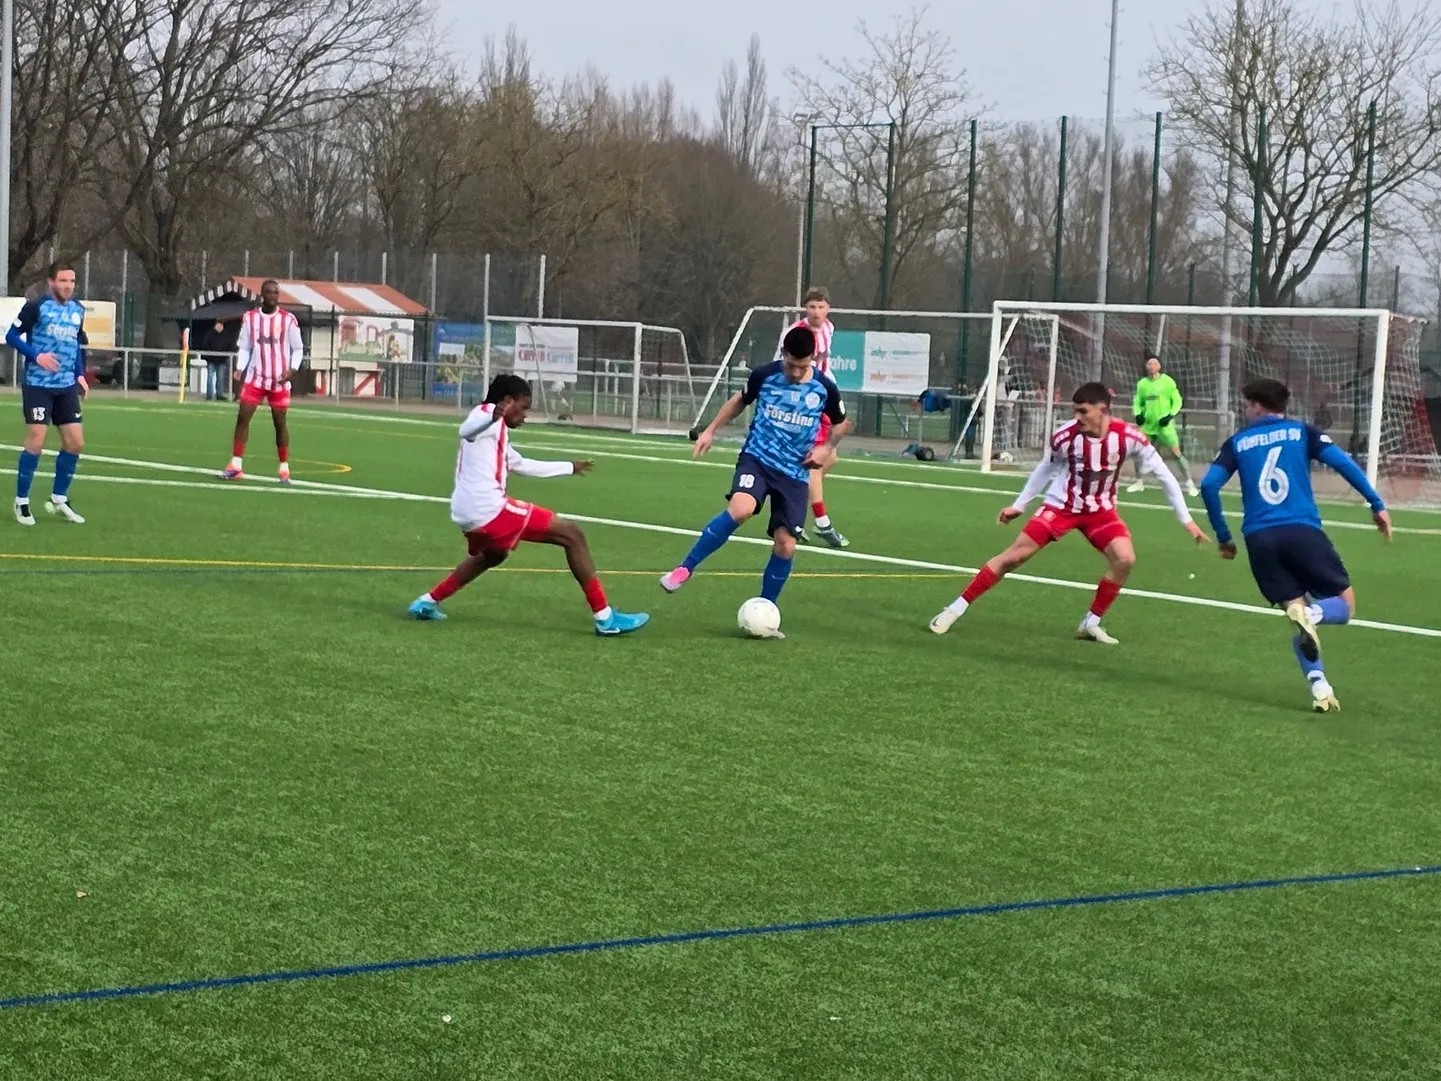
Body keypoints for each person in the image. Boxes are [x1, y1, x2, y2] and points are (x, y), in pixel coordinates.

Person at [929, 382, 1208, 643]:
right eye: (1075, 411)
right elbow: (1045, 468)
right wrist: (1020, 505)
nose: (1077, 417)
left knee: (1124, 559)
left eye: (1083, 411)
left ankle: (1091, 622)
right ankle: (954, 609)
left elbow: (1165, 477)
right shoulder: (1066, 436)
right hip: (1061, 506)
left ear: (1102, 410)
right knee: (1014, 556)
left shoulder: (1128, 437)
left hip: (1101, 512)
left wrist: (1187, 520)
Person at [1199, 377, 1391, 713]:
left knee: (1295, 611)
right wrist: (1376, 504)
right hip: (1300, 531)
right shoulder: (1303, 432)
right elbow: (1343, 463)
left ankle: (1320, 688)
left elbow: (1209, 485)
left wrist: (1224, 537)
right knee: (1344, 606)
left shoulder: (1237, 442)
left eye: (1247, 405)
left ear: (1257, 406)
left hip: (1259, 539)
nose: (1246, 411)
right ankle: (1313, 614)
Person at [407, 373, 649, 636]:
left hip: (467, 512)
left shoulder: (496, 431)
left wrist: (569, 467)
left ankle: (427, 602)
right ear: (508, 401)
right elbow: (465, 431)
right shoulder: (485, 415)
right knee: (572, 535)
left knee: (493, 555)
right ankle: (605, 618)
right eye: (523, 408)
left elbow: (520, 464)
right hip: (489, 509)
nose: (524, 416)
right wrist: (493, 415)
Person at [660, 325, 850, 637]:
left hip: (794, 473)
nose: (794, 372)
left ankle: (766, 609)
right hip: (757, 460)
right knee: (741, 508)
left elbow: (842, 423)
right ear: (783, 354)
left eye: (801, 366)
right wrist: (710, 430)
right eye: (790, 364)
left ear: (812, 359)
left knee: (786, 544)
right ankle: (685, 568)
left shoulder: (824, 388)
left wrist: (826, 448)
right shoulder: (765, 374)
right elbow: (740, 400)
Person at [6, 261, 89, 526]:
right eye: (63, 281)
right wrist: (36, 356)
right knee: (36, 441)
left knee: (75, 443)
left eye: (72, 281)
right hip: (38, 384)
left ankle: (59, 498)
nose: (68, 286)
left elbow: (76, 345)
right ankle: (21, 502)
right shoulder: (36, 307)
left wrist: (79, 374)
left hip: (66, 387)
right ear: (51, 282)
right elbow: (11, 336)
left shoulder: (78, 310)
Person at [221, 279, 304, 483]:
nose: (272, 296)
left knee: (280, 424)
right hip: (255, 379)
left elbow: (298, 348)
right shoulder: (250, 318)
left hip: (279, 381)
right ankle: (236, 465)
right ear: (262, 295)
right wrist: (240, 368)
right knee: (242, 418)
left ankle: (284, 468)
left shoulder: (288, 320)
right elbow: (245, 347)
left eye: (275, 292)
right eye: (268, 292)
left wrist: (292, 370)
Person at [785, 286, 848, 549]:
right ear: (805, 308)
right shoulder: (796, 333)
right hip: (807, 402)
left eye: (821, 306)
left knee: (829, 458)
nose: (816, 311)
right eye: (811, 306)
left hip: (822, 396)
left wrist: (832, 389)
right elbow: (787, 367)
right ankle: (822, 522)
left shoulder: (829, 328)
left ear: (828, 308)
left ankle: (792, 510)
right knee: (816, 461)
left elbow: (824, 367)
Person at [1127, 354, 1199, 497]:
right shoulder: (1142, 384)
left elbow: (1177, 401)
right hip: (1148, 425)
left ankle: (1189, 483)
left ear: (1159, 366)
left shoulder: (1167, 381)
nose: (1152, 366)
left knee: (1176, 453)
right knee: (1138, 451)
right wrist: (1138, 414)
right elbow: (1137, 401)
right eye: (1149, 363)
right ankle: (1139, 482)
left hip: (1164, 426)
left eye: (1154, 363)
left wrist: (1170, 415)